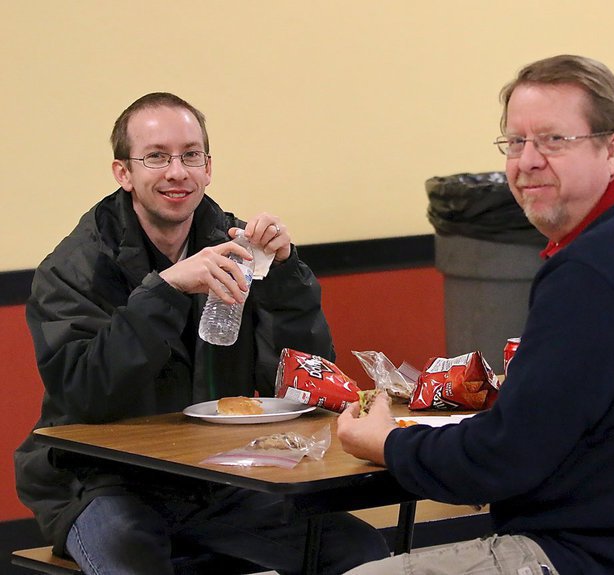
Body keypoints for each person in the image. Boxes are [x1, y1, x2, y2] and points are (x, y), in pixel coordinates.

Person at [337, 55, 614, 575]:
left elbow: (501, 460)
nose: (528, 160)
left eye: (552, 140)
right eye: (516, 142)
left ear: (612, 150)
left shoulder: (599, 266)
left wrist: (389, 442)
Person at [15, 92, 389, 575]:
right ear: (123, 173)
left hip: (218, 475)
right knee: (133, 558)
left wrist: (283, 274)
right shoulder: (73, 268)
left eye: (190, 155)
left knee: (358, 553)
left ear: (208, 167)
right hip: (101, 483)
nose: (177, 171)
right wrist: (166, 290)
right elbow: (87, 393)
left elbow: (298, 381)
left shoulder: (236, 247)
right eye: (156, 157)